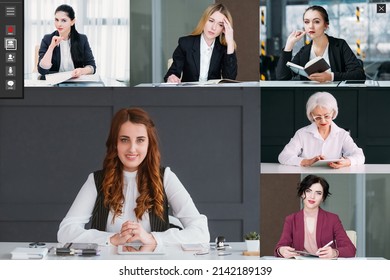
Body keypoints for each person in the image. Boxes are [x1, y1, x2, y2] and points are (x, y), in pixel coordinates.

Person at [57, 108, 210, 246]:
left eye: (140, 140)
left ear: (149, 144)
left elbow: (201, 232)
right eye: (124, 140)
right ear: (114, 143)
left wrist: (151, 238)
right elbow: (65, 232)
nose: (132, 148)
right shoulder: (96, 180)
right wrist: (111, 239)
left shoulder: (166, 177)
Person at [276, 5, 365, 82]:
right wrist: (289, 45)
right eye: (307, 22)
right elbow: (282, 77)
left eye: (316, 22)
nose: (311, 26)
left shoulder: (340, 45)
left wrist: (331, 77)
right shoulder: (304, 51)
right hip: (309, 97)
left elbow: (359, 75)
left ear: (326, 25)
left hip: (337, 96)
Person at [274, 175, 356, 258]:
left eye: (318, 193)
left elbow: (351, 249)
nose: (312, 196)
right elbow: (280, 247)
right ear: (302, 193)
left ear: (323, 198)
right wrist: (282, 250)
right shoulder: (291, 219)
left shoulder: (333, 219)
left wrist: (334, 253)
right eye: (308, 191)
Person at [278, 91, 365, 168]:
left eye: (326, 116)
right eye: (318, 117)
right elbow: (283, 156)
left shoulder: (342, 134)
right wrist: (307, 162)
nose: (323, 121)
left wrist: (347, 162)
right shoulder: (302, 133)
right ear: (311, 115)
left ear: (333, 113)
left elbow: (360, 156)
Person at [164, 3, 237, 83]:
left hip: (213, 94)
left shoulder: (224, 48)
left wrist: (230, 42)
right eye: (211, 21)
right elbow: (172, 72)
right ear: (204, 20)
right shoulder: (186, 43)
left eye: (220, 25)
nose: (214, 27)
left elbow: (230, 79)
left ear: (224, 29)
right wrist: (171, 78)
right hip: (189, 93)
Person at [38, 4, 96, 78]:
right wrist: (51, 47)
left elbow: (92, 67)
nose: (59, 24)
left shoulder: (82, 39)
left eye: (63, 20)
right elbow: (42, 71)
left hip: (75, 82)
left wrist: (82, 71)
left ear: (72, 22)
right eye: (56, 20)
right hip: (54, 83)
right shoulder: (47, 39)